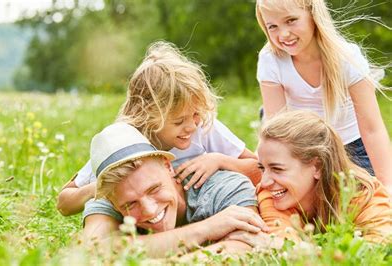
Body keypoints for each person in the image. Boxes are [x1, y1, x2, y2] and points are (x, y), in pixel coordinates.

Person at [57, 41, 261, 215]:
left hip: (205, 208)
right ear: (147, 116)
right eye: (179, 121)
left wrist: (219, 160)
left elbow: (260, 169)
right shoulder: (125, 142)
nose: (191, 126)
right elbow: (64, 202)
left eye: (195, 114)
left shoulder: (204, 127)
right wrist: (107, 186)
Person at [255, 0, 392, 193]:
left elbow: (372, 129)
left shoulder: (346, 58)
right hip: (301, 147)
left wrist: (387, 184)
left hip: (351, 146)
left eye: (291, 20)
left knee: (358, 200)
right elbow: (278, 127)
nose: (283, 34)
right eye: (273, 26)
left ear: (313, 15)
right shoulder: (271, 59)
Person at [82, 122, 269, 257]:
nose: (149, 210)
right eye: (130, 204)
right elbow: (92, 253)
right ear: (112, 202)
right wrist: (206, 229)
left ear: (168, 166)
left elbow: (246, 246)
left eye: (154, 189)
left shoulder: (225, 187)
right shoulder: (110, 200)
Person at [226, 110, 391, 248]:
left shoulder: (364, 193)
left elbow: (377, 247)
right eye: (262, 168)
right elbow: (284, 247)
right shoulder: (273, 194)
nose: (265, 181)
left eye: (277, 169)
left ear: (317, 167)